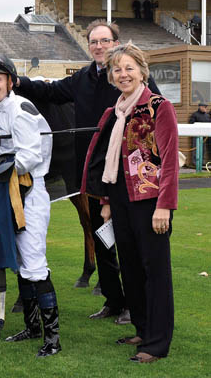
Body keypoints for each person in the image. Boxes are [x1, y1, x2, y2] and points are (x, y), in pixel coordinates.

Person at [13, 19, 160, 324]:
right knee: (102, 240)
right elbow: (50, 91)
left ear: (116, 43)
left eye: (104, 41)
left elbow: (155, 111)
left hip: (127, 174)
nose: (98, 46)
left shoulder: (130, 77)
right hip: (92, 176)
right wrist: (15, 81)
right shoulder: (81, 78)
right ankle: (113, 300)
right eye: (93, 41)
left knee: (129, 241)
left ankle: (136, 304)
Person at [82, 42, 179, 363]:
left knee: (156, 272)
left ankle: (157, 343)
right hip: (121, 200)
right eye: (117, 69)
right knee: (132, 270)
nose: (123, 74)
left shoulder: (157, 107)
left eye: (129, 68)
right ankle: (142, 326)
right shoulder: (115, 111)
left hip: (152, 200)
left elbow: (168, 161)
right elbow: (112, 160)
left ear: (141, 71)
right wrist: (108, 200)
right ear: (111, 76)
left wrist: (165, 206)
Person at [0, 55, 62, 357]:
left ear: (10, 82)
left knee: (34, 264)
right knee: (23, 264)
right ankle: (33, 327)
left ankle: (52, 339)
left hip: (28, 192)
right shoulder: (1, 109)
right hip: (13, 189)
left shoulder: (20, 108)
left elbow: (29, 157)